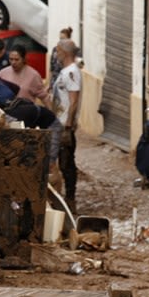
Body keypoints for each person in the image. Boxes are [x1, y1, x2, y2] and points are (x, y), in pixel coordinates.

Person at [51, 38, 81, 208]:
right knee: (63, 160)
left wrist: (67, 126)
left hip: (64, 125)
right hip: (59, 122)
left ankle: (70, 198)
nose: (56, 54)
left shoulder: (72, 72)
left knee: (66, 162)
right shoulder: (65, 71)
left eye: (57, 50)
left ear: (65, 52)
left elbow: (74, 100)